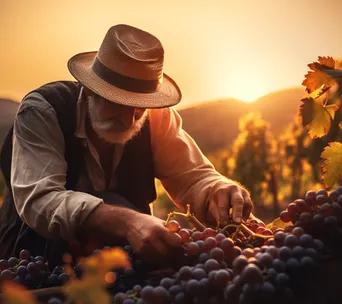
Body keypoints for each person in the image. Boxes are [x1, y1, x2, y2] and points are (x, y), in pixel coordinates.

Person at [0, 24, 256, 268]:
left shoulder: (155, 116)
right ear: (91, 89)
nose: (129, 118)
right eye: (117, 102)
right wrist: (128, 221)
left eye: (139, 105)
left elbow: (191, 177)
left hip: (123, 268)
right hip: (37, 263)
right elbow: (41, 200)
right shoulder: (42, 111)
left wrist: (217, 189)